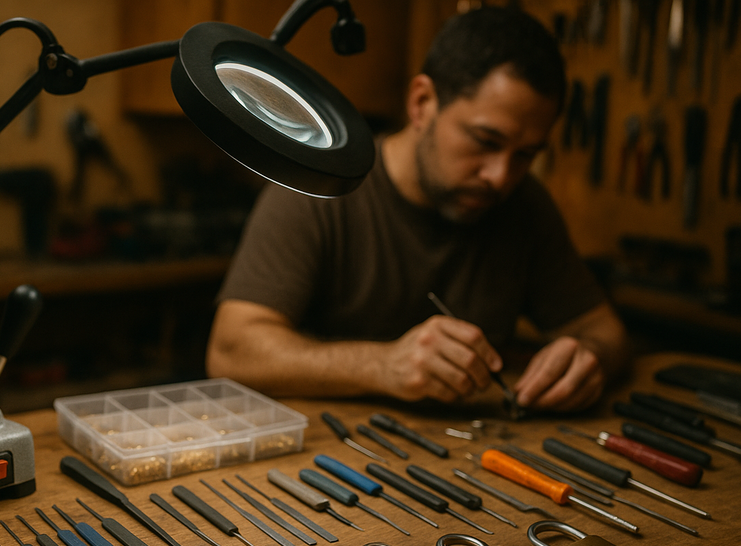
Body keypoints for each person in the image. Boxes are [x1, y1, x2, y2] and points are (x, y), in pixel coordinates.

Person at [206, 6, 628, 413]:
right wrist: (380, 366)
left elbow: (604, 331)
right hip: (327, 463)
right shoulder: (320, 189)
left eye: (526, 155)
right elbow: (231, 352)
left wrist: (589, 359)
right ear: (422, 102)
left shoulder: (524, 205)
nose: (500, 176)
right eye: (486, 141)